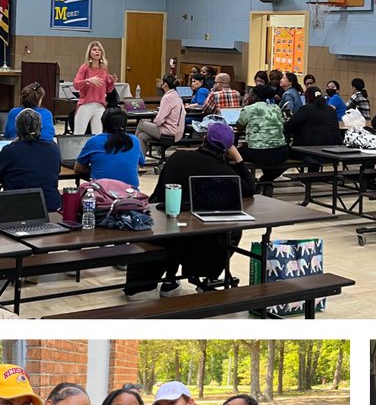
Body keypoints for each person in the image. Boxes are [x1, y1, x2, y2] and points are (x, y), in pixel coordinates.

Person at [126, 121, 256, 298]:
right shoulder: (224, 172)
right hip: (202, 240)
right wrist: (239, 159)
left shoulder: (177, 158)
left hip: (163, 228)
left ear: (204, 139)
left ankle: (170, 278)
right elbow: (249, 188)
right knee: (232, 231)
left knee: (179, 229)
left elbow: (158, 194)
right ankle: (208, 277)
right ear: (227, 149)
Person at [0, 108, 62, 211]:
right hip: (50, 206)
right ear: (41, 128)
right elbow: (57, 170)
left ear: (17, 130)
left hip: (17, 208)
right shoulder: (54, 148)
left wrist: (13, 143)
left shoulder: (10, 150)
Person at [73, 107, 146, 187]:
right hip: (131, 193)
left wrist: (96, 168)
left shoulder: (94, 141)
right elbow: (140, 163)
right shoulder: (134, 140)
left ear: (103, 123)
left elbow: (78, 168)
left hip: (103, 193)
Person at [237, 84, 290, 185]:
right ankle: (266, 180)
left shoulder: (249, 109)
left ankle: (249, 181)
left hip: (258, 153)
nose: (247, 96)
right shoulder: (276, 108)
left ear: (254, 96)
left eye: (249, 94)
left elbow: (239, 126)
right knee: (275, 159)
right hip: (280, 152)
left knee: (232, 155)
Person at [136, 73, 186, 154]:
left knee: (141, 124)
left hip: (168, 131)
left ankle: (132, 152)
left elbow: (159, 121)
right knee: (142, 136)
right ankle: (140, 161)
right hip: (178, 132)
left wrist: (154, 121)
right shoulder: (177, 96)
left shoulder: (167, 97)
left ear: (165, 84)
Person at [73, 40, 116, 134]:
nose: (97, 52)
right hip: (86, 105)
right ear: (89, 53)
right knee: (79, 133)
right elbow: (76, 84)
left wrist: (112, 82)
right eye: (94, 50)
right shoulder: (85, 67)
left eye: (99, 50)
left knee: (98, 134)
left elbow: (108, 90)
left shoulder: (104, 69)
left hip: (100, 105)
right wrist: (88, 80)